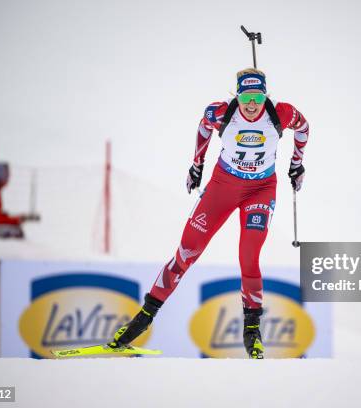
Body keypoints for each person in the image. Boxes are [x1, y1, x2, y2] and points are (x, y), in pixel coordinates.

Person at [109, 68, 309, 359]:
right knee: (187, 251)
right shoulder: (219, 113)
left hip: (261, 190)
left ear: (265, 95)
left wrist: (297, 163)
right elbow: (203, 127)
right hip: (222, 186)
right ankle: (142, 318)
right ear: (237, 95)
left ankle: (252, 331)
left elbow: (304, 128)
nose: (251, 104)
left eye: (257, 96)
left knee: (249, 255)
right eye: (245, 96)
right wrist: (196, 165)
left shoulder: (281, 113)